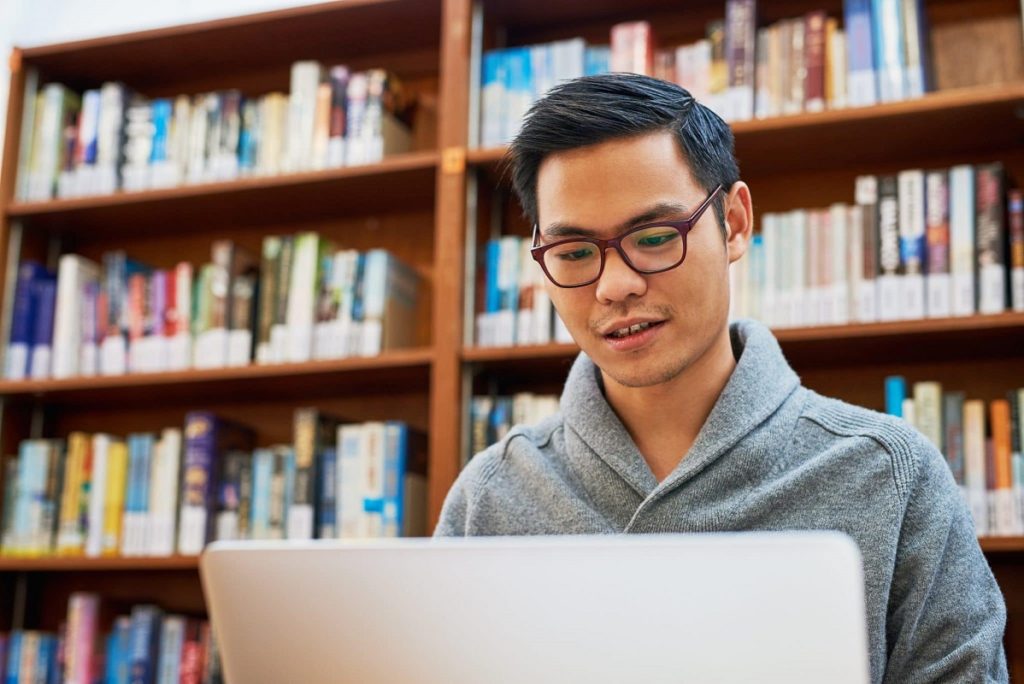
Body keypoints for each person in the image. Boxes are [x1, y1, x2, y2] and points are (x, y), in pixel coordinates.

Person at [434, 73, 1008, 682]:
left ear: (733, 223)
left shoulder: (891, 476)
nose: (614, 286)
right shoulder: (491, 496)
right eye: (574, 253)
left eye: (653, 238)